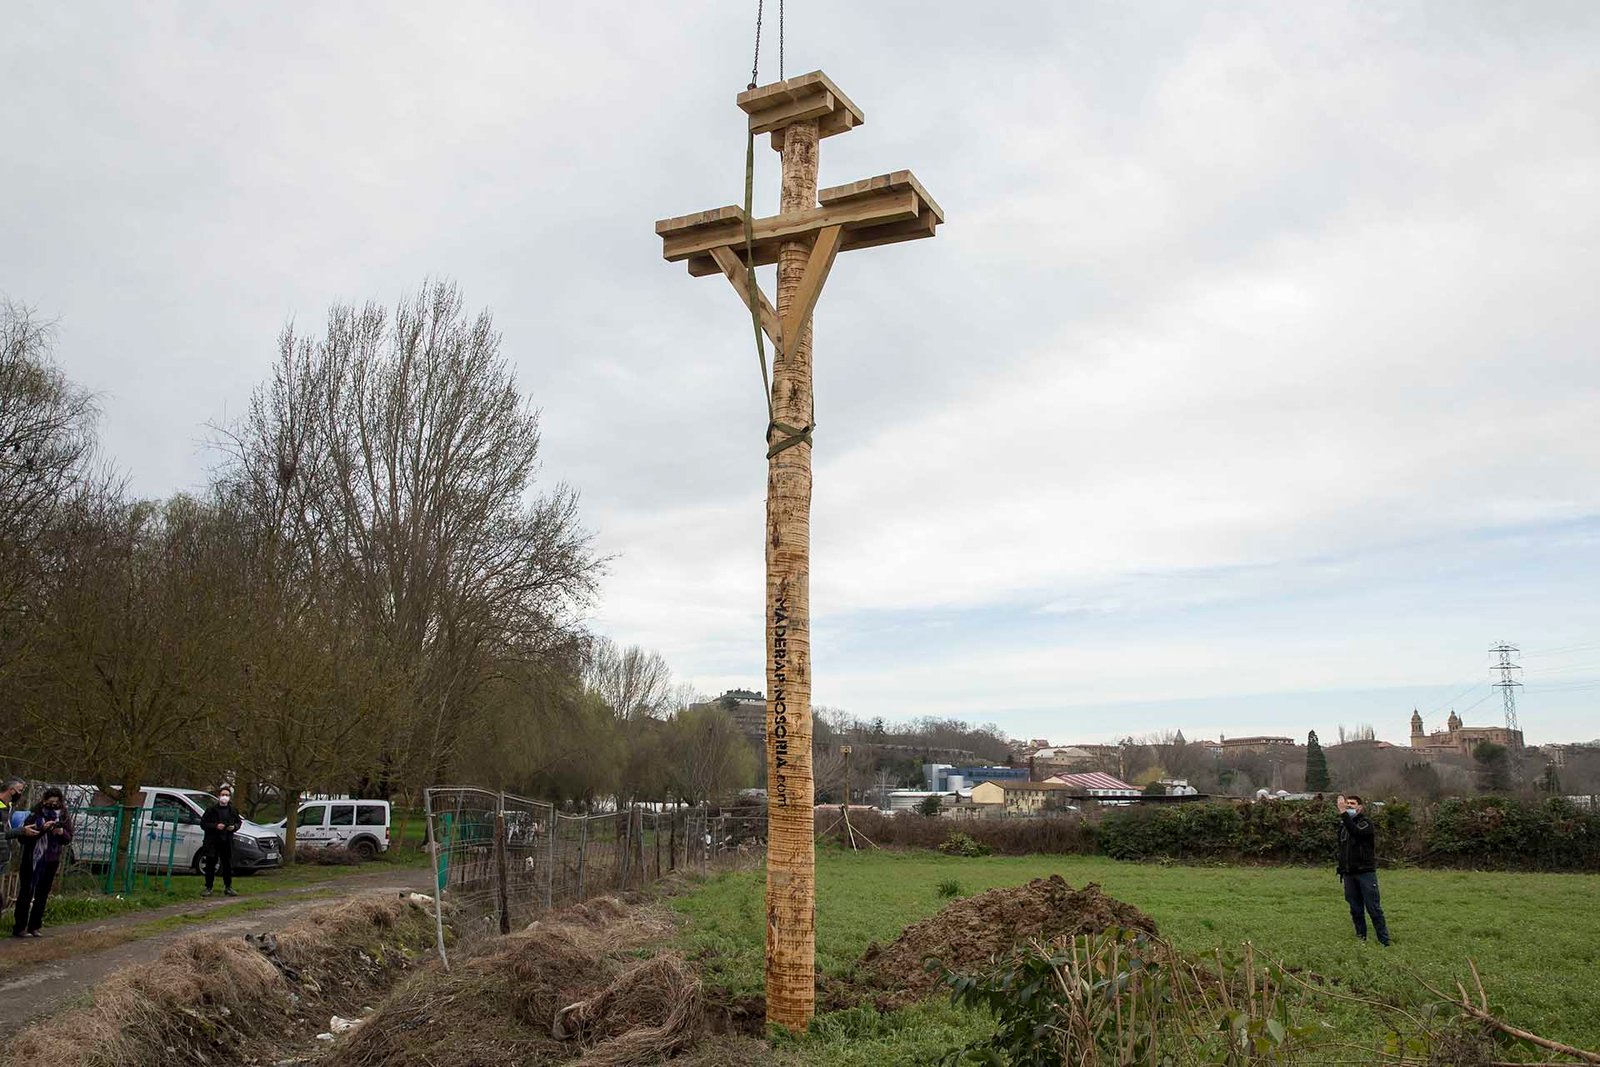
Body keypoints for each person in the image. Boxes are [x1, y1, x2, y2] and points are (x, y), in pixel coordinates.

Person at [13, 787, 72, 938]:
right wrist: (43, 829)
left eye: (56, 802)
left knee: (42, 894)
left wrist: (60, 832)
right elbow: (24, 837)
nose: (53, 805)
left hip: (51, 859)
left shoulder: (64, 816)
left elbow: (68, 838)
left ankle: (35, 926)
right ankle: (19, 927)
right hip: (32, 859)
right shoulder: (34, 814)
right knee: (26, 892)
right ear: (44, 800)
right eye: (50, 802)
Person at [1336, 794, 1391, 946]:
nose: (1348, 806)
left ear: (1360, 807)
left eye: (1352, 804)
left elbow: (1356, 832)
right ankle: (1361, 939)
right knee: (1355, 909)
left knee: (1373, 908)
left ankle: (1384, 941)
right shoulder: (1343, 827)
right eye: (1346, 804)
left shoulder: (1365, 824)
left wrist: (1342, 813)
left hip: (1365, 873)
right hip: (1349, 874)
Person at [199, 787, 242, 897]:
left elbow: (238, 822)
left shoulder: (233, 810)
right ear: (219, 796)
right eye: (223, 794)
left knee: (227, 865)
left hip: (227, 841)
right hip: (213, 841)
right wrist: (215, 826)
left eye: (227, 795)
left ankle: (228, 887)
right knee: (210, 865)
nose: (225, 797)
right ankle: (208, 887)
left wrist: (234, 827)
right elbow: (203, 824)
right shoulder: (211, 810)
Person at [0, 778, 33, 910]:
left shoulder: (8, 808)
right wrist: (22, 831)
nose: (20, 794)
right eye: (19, 790)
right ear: (11, 790)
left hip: (2, 856)